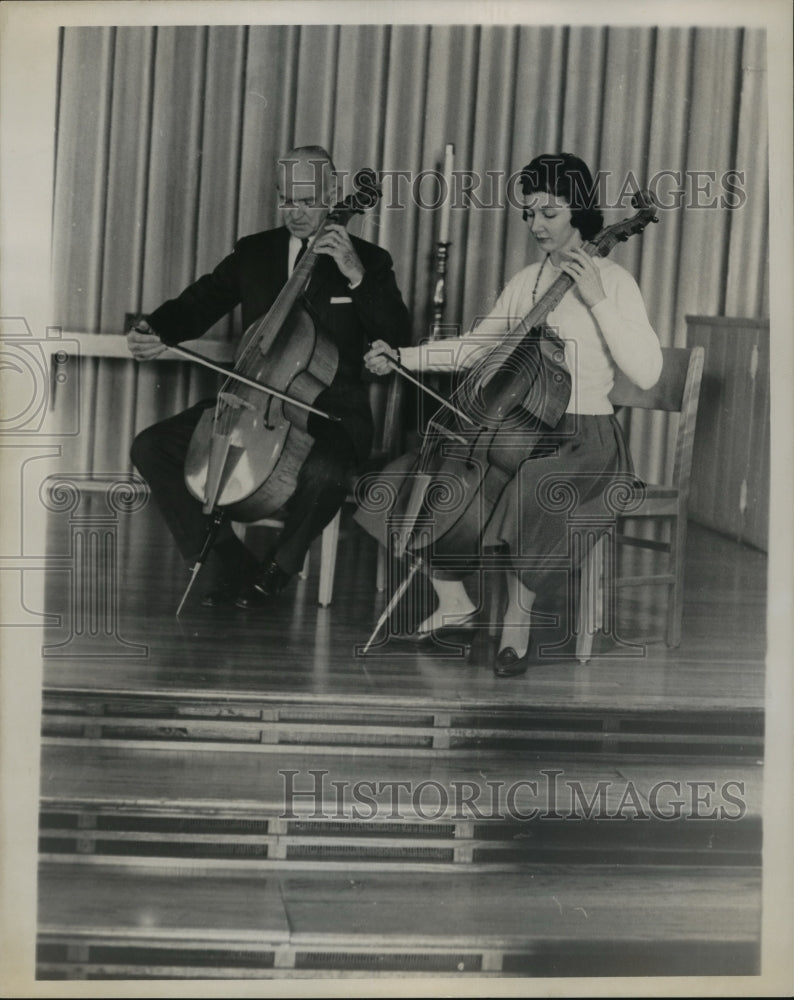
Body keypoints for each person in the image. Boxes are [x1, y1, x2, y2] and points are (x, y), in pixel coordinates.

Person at [359, 152, 662, 677]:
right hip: (519, 429)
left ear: (578, 210)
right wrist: (402, 357)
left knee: (532, 486)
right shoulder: (529, 279)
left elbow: (648, 371)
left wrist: (595, 299)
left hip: (585, 440)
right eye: (529, 213)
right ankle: (455, 601)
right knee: (418, 473)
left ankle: (515, 627)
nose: (536, 224)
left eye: (549, 212)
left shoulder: (613, 280)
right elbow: (479, 346)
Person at [129, 146, 411, 607]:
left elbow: (397, 336)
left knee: (326, 470)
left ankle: (278, 569)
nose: (295, 213)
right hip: (251, 400)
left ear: (332, 195)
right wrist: (157, 328)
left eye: (308, 201)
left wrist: (356, 276)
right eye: (287, 200)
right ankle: (230, 561)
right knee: (151, 446)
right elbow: (202, 301)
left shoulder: (369, 260)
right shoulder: (255, 251)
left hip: (333, 411)